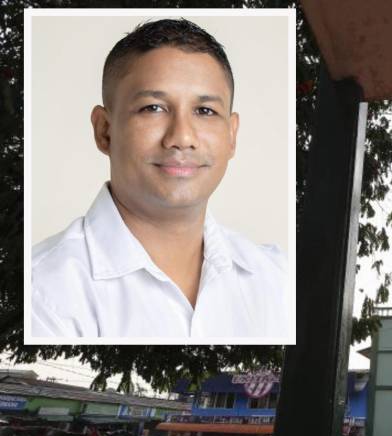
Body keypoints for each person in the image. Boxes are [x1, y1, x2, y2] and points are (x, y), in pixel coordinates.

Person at [31, 18, 288, 339]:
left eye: (205, 111)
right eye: (153, 108)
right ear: (104, 130)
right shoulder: (43, 292)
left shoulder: (278, 280)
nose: (181, 137)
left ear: (232, 135)